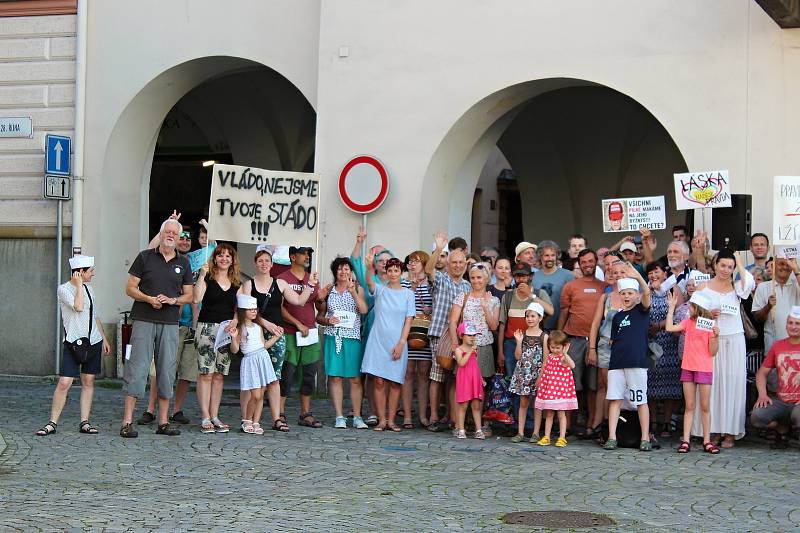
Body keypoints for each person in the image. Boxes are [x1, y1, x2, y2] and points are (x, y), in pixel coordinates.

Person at [120, 219, 193, 438]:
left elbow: (190, 295)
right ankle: (127, 422)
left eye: (175, 233)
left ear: (178, 238)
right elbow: (130, 288)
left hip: (170, 322)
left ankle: (163, 422)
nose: (170, 235)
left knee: (166, 370)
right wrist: (149, 299)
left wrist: (173, 300)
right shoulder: (145, 257)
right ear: (160, 235)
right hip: (143, 318)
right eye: (167, 231)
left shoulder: (184, 263)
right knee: (137, 368)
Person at [239, 245, 316, 430]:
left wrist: (310, 285)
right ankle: (246, 418)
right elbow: (244, 311)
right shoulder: (248, 285)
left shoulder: (280, 283)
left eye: (267, 260)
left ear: (272, 263)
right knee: (252, 379)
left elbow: (298, 301)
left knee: (274, 378)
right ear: (255, 264)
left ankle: (276, 419)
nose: (264, 264)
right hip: (255, 334)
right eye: (260, 261)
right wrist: (265, 323)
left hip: (277, 335)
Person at [36, 256, 111, 436]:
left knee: (88, 381)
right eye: (90, 270)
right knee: (64, 382)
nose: (93, 274)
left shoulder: (90, 289)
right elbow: (78, 307)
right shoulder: (63, 289)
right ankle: (52, 423)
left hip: (92, 341)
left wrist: (105, 339)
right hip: (73, 343)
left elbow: (95, 316)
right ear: (80, 272)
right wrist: (78, 286)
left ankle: (84, 422)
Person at [691, 250, 754, 448]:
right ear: (715, 264)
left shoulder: (738, 288)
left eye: (730, 266)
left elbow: (749, 283)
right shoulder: (703, 287)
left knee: (734, 384)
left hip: (734, 339)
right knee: (713, 385)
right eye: (722, 265)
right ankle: (713, 429)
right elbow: (693, 318)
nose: (726, 270)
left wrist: (740, 263)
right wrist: (709, 314)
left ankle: (730, 431)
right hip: (711, 340)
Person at [137, 221, 198, 426]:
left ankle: (175, 411)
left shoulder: (192, 262)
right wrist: (165, 226)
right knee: (158, 370)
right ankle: (150, 409)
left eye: (180, 236)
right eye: (169, 233)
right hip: (163, 320)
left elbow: (191, 295)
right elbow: (150, 249)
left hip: (186, 323)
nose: (182, 240)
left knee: (181, 371)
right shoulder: (152, 256)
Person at [360, 254, 415, 432]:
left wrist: (401, 343)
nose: (393, 273)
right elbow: (368, 282)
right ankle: (382, 419)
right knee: (378, 381)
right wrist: (369, 267)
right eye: (390, 270)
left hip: (397, 341)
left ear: (401, 272)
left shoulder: (408, 294)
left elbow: (409, 320)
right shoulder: (380, 289)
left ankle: (392, 420)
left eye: (396, 270)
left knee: (395, 382)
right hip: (378, 340)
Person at [425, 231, 471, 432]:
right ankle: (434, 416)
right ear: (449, 262)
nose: (458, 265)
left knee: (455, 376)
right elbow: (428, 270)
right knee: (437, 376)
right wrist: (438, 248)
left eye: (461, 262)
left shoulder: (468, 286)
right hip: (438, 333)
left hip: (459, 337)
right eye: (454, 262)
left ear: (466, 264)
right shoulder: (441, 279)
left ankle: (452, 416)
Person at [603, 270, 653, 452]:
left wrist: (638, 277)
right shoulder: (617, 316)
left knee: (641, 400)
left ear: (637, 295)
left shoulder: (642, 311)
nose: (626, 296)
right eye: (623, 293)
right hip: (617, 364)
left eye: (630, 293)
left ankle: (645, 437)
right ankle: (611, 436)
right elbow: (613, 339)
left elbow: (647, 293)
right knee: (615, 399)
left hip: (637, 363)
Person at [193, 243, 241, 434]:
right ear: (214, 258)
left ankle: (214, 415)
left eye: (228, 256)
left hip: (225, 331)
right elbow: (196, 299)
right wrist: (201, 275)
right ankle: (205, 416)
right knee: (206, 374)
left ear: (232, 260)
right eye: (220, 255)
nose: (224, 258)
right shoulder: (208, 278)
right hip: (206, 329)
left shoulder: (236, 283)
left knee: (219, 376)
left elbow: (239, 311)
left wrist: (236, 323)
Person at [558, 249, 607, 431]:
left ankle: (591, 424)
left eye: (591, 261)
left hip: (597, 340)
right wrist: (559, 336)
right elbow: (564, 312)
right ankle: (568, 424)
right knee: (571, 384)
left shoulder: (605, 286)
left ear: (596, 262)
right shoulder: (571, 286)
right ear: (579, 263)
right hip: (574, 339)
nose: (588, 265)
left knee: (594, 386)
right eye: (584, 262)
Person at [317, 257, 369, 429]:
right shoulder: (329, 290)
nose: (343, 272)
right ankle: (339, 416)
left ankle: (357, 416)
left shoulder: (358, 289)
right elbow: (319, 316)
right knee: (335, 377)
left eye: (346, 268)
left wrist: (353, 292)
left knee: (355, 379)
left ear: (351, 271)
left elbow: (363, 310)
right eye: (339, 269)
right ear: (335, 272)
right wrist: (328, 320)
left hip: (352, 338)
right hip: (334, 337)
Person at [450, 261, 500, 435]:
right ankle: (459, 423)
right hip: (464, 346)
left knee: (482, 385)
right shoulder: (462, 297)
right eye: (472, 278)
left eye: (479, 277)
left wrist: (485, 306)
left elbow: (493, 326)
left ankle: (481, 422)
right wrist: (455, 344)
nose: (476, 281)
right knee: (462, 385)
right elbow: (453, 322)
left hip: (484, 346)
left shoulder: (494, 300)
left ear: (486, 278)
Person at [665, 291, 719, 453]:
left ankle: (707, 440)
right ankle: (686, 440)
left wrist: (716, 337)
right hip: (688, 366)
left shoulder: (709, 325)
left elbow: (713, 351)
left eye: (691, 306)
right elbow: (669, 328)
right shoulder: (688, 322)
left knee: (704, 406)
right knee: (689, 406)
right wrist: (671, 309)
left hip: (704, 368)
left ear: (698, 308)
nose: (688, 308)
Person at [278, 246, 322, 428]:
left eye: (309, 254)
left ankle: (305, 413)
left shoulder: (312, 279)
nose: (307, 256)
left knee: (309, 374)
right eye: (304, 253)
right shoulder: (282, 278)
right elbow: (278, 307)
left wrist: (322, 300)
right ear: (292, 257)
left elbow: (319, 307)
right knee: (287, 375)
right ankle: (279, 413)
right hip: (289, 333)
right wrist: (297, 323)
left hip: (310, 333)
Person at [230, 295, 287, 434]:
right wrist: (233, 338)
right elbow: (235, 349)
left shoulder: (258, 327)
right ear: (243, 311)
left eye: (255, 309)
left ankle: (256, 421)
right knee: (255, 394)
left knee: (261, 393)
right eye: (250, 309)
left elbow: (263, 345)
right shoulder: (241, 328)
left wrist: (276, 337)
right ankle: (247, 419)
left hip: (262, 358)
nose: (254, 311)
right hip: (250, 361)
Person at [586, 258, 627, 438]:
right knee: (603, 385)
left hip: (625, 347)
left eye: (622, 272)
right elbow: (595, 324)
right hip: (604, 345)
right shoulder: (606, 297)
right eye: (615, 272)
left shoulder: (634, 296)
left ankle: (616, 424)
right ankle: (599, 423)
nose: (618, 276)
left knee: (619, 386)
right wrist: (592, 349)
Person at [751, 308, 800, 449]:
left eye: (797, 323)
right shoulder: (778, 345)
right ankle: (782, 428)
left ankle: (792, 431)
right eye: (790, 323)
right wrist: (762, 395)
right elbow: (761, 373)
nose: (793, 327)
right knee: (757, 416)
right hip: (782, 401)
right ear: (786, 325)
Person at [645, 260, 682, 438]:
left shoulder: (673, 289)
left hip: (669, 341)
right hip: (650, 342)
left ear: (664, 273)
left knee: (669, 384)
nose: (653, 276)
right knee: (650, 383)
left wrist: (659, 326)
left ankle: (666, 422)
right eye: (650, 273)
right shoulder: (645, 291)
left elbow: (680, 315)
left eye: (656, 272)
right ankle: (652, 421)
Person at [497, 262, 553, 378]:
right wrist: (500, 352)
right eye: (517, 276)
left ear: (530, 277)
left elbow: (551, 311)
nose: (521, 279)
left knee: (533, 378)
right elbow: (502, 325)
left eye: (524, 276)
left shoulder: (539, 293)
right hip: (511, 343)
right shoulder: (507, 296)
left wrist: (531, 295)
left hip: (535, 342)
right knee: (513, 379)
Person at [400, 250, 433, 428]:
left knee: (423, 374)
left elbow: (437, 303)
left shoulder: (431, 283)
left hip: (425, 332)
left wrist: (429, 310)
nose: (412, 264)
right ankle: (406, 416)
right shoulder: (404, 283)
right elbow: (400, 305)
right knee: (408, 373)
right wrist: (411, 289)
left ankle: (422, 415)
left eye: (417, 261)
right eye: (410, 261)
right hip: (409, 332)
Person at [508, 302, 548, 443]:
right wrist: (518, 342)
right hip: (524, 373)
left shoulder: (544, 337)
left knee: (537, 404)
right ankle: (520, 432)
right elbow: (518, 356)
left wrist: (541, 377)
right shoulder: (522, 335)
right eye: (527, 316)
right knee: (523, 402)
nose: (529, 319)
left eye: (533, 316)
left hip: (537, 374)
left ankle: (536, 432)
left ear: (540, 318)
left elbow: (545, 360)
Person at [533, 330, 577, 447]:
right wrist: (541, 381)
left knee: (561, 414)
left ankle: (562, 437)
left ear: (564, 346)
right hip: (550, 391)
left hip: (560, 392)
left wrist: (566, 354)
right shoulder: (549, 357)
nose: (555, 350)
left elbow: (572, 365)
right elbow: (545, 370)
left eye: (558, 348)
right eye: (552, 347)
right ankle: (546, 436)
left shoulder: (563, 358)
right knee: (549, 414)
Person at [752, 257, 800, 354]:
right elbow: (757, 318)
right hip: (772, 345)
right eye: (781, 264)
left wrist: (796, 270)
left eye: (788, 265)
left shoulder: (797, 285)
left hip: (796, 346)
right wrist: (768, 307)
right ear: (773, 266)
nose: (785, 267)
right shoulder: (762, 287)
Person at [453, 322, 486, 439]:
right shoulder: (458, 349)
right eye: (469, 335)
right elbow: (461, 363)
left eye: (474, 335)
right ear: (462, 336)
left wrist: (481, 379)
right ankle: (461, 429)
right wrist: (470, 351)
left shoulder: (474, 350)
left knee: (476, 405)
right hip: (464, 380)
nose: (472, 337)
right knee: (463, 405)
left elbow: (475, 366)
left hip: (474, 380)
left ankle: (478, 429)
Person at [533, 240, 574, 331]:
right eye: (546, 255)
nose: (550, 258)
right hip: (539, 327)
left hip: (562, 328)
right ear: (540, 257)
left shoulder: (567, 275)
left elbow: (573, 303)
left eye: (553, 255)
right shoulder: (533, 277)